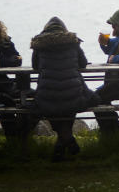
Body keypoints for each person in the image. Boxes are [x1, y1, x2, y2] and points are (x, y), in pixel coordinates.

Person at [28, 17, 100, 161]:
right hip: (73, 94)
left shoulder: (39, 44)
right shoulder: (73, 42)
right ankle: (65, 135)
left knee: (51, 103)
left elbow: (35, 66)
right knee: (70, 99)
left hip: (47, 96)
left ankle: (63, 138)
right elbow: (83, 64)